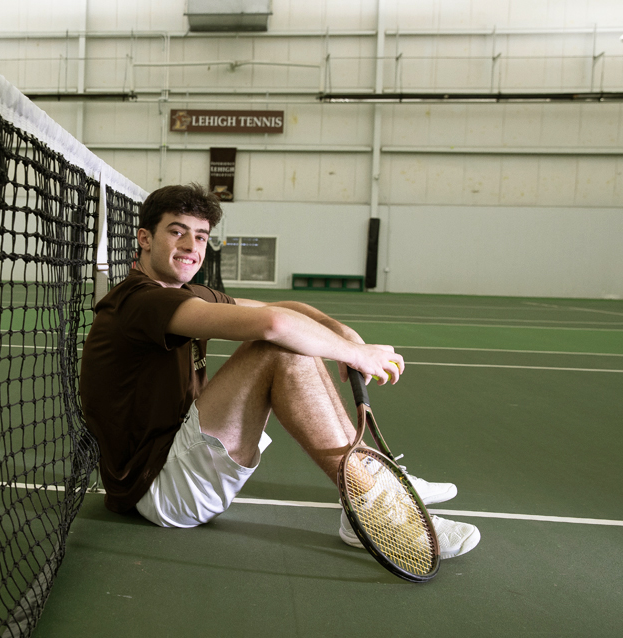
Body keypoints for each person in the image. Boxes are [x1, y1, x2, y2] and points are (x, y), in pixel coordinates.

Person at [79, 183, 480, 559]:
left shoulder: (187, 293)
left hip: (181, 460)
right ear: (145, 238)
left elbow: (286, 310)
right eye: (177, 232)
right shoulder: (139, 302)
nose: (191, 246)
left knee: (290, 339)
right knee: (278, 349)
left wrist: (341, 333)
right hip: (159, 490)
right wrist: (355, 354)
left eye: (200, 236)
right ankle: (370, 508)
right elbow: (274, 326)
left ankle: (370, 484)